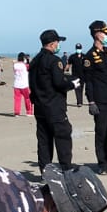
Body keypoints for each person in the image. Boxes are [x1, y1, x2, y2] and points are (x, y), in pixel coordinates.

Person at [81, 20, 107, 173]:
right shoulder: (89, 57)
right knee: (101, 133)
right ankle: (102, 164)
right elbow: (88, 82)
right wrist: (91, 101)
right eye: (105, 33)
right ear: (97, 34)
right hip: (100, 101)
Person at [29, 29, 73, 168]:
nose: (58, 45)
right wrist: (72, 84)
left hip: (39, 106)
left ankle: (45, 170)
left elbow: (32, 83)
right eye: (57, 43)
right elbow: (59, 82)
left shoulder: (35, 60)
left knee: (44, 140)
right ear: (52, 44)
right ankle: (66, 169)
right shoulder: (54, 60)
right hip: (54, 106)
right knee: (62, 136)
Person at [11, 53, 33, 117]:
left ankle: (17, 113)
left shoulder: (15, 65)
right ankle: (29, 112)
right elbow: (30, 67)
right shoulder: (25, 65)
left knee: (17, 99)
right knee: (27, 99)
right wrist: (27, 60)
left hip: (16, 84)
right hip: (24, 85)